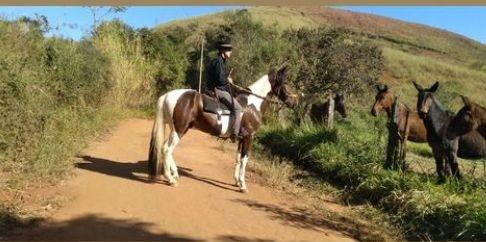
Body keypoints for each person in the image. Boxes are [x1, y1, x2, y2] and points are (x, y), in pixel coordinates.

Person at [206, 41, 243, 141]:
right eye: (228, 50)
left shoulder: (220, 61)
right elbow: (220, 80)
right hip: (218, 91)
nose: (230, 52)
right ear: (222, 51)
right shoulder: (219, 62)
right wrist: (228, 80)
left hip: (217, 89)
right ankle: (235, 134)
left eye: (230, 49)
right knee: (239, 108)